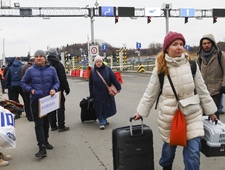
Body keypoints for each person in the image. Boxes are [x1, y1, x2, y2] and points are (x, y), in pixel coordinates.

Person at [133, 32, 217, 170]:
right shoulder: (160, 69)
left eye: (181, 44)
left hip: (192, 115)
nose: (179, 47)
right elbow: (150, 93)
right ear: (167, 48)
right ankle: (166, 167)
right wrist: (140, 112)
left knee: (193, 155)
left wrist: (211, 111)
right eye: (175, 44)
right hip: (169, 116)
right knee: (168, 153)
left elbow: (202, 90)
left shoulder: (192, 66)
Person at [21, 50, 60, 157]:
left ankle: (46, 140)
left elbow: (57, 82)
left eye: (41, 56)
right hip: (36, 101)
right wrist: (31, 90)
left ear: (44, 58)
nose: (38, 58)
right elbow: (23, 83)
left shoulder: (52, 70)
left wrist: (54, 89)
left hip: (48, 101)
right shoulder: (30, 71)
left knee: (46, 122)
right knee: (38, 124)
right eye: (36, 56)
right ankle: (41, 146)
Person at [89, 55, 121, 130]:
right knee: (99, 107)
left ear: (102, 62)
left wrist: (118, 87)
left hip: (107, 92)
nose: (98, 63)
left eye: (99, 61)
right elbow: (90, 84)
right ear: (95, 63)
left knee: (107, 106)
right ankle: (101, 120)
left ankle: (104, 118)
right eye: (97, 62)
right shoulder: (92, 72)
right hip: (97, 93)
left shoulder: (107, 69)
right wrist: (91, 95)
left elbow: (113, 78)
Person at [197, 34, 225, 119]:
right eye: (204, 43)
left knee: (214, 114)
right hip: (203, 90)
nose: (206, 45)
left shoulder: (220, 55)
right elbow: (197, 73)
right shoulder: (200, 57)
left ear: (212, 43)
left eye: (208, 43)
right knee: (203, 115)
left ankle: (216, 131)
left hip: (216, 90)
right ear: (201, 45)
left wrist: (223, 85)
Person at [47, 48, 70, 132]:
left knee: (51, 108)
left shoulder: (46, 64)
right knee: (60, 107)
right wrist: (67, 89)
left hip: (48, 90)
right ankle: (61, 125)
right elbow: (63, 78)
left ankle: (53, 125)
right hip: (58, 89)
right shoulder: (58, 64)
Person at [21, 57, 35, 122]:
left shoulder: (24, 67)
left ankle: (28, 115)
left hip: (25, 88)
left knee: (26, 102)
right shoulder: (30, 68)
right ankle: (31, 116)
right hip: (30, 88)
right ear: (33, 62)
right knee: (30, 102)